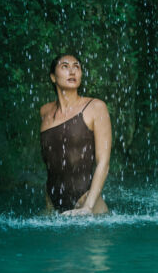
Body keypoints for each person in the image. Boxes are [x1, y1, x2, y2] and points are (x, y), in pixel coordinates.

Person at [40, 53, 111, 215]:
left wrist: (88, 207)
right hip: (52, 209)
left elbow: (103, 162)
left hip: (87, 204)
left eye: (76, 67)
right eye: (65, 66)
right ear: (53, 77)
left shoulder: (96, 107)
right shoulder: (45, 112)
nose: (72, 71)